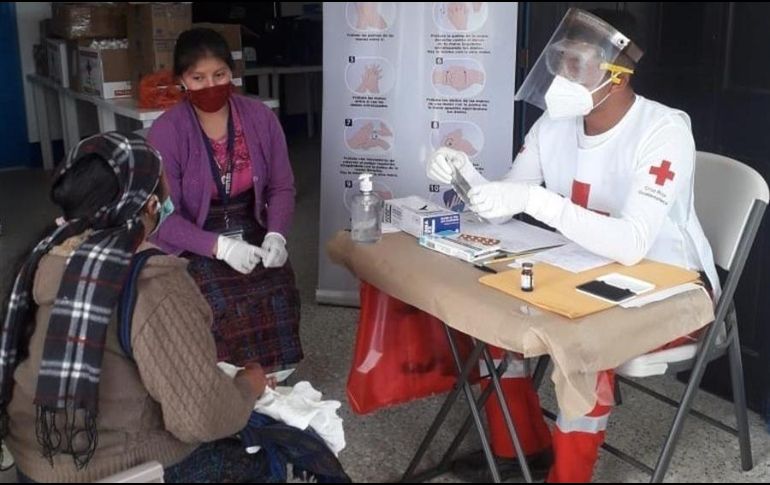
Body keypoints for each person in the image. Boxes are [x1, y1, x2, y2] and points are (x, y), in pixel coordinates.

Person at [426, 8, 718, 483]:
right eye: (559, 60)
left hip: (670, 283)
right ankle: (519, 450)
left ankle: (569, 477)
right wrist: (465, 176)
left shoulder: (663, 130)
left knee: (583, 344)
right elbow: (502, 203)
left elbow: (631, 243)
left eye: (576, 63)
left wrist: (538, 201)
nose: (562, 74)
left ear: (618, 75)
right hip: (581, 269)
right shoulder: (554, 126)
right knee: (486, 310)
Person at [0, 133, 271, 482]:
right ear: (151, 207)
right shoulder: (151, 281)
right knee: (273, 450)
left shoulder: (41, 258)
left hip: (34, 467)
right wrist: (250, 385)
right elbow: (202, 418)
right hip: (124, 470)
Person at [147, 28, 302, 369]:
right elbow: (162, 216)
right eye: (198, 78)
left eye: (219, 74)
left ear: (231, 73)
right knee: (218, 296)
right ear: (182, 81)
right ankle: (229, 382)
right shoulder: (167, 131)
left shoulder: (260, 118)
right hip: (193, 232)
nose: (210, 85)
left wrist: (276, 233)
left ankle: (275, 377)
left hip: (250, 220)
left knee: (277, 285)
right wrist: (221, 247)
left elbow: (280, 187)